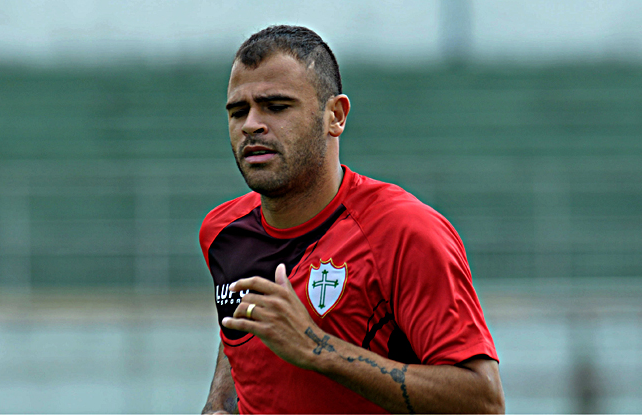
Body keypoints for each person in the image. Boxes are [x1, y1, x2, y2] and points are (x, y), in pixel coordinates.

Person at [199, 25, 505, 414]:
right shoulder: (221, 232)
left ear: (335, 116)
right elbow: (242, 344)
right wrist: (218, 406)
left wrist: (316, 348)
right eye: (238, 111)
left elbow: (483, 401)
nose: (251, 125)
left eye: (276, 107)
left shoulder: (404, 231)